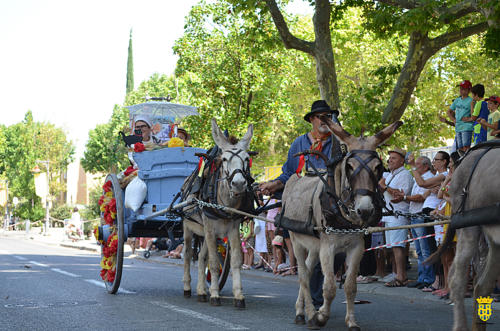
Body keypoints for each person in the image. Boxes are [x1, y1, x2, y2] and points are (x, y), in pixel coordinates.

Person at [259, 99, 342, 309]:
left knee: (338, 251)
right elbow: (289, 173)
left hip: (332, 196)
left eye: (329, 117)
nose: (326, 120)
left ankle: (318, 291)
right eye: (321, 117)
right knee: (315, 252)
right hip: (305, 196)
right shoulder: (299, 143)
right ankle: (314, 297)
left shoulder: (339, 141)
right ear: (312, 120)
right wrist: (273, 184)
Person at [393, 156, 434, 289]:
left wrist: (404, 197)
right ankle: (422, 277)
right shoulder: (419, 178)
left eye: (417, 165)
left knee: (425, 249)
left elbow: (421, 197)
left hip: (421, 215)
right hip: (414, 215)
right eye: (414, 165)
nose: (415, 167)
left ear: (426, 166)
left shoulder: (428, 178)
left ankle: (428, 278)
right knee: (419, 250)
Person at [379, 148, 413, 287]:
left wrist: (385, 187)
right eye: (389, 158)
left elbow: (400, 195)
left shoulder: (405, 174)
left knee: (398, 246)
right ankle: (397, 274)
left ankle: (401, 276)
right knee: (393, 247)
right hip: (389, 215)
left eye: (393, 158)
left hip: (398, 214)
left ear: (401, 161)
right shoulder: (391, 174)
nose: (389, 161)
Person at [447, 80, 473, 153]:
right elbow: (449, 111)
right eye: (460, 88)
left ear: (469, 90)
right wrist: (453, 119)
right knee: (460, 148)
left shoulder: (471, 101)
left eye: (464, 89)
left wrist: (469, 119)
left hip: (466, 127)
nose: (461, 90)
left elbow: (474, 115)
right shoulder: (457, 100)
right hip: (458, 127)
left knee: (466, 147)